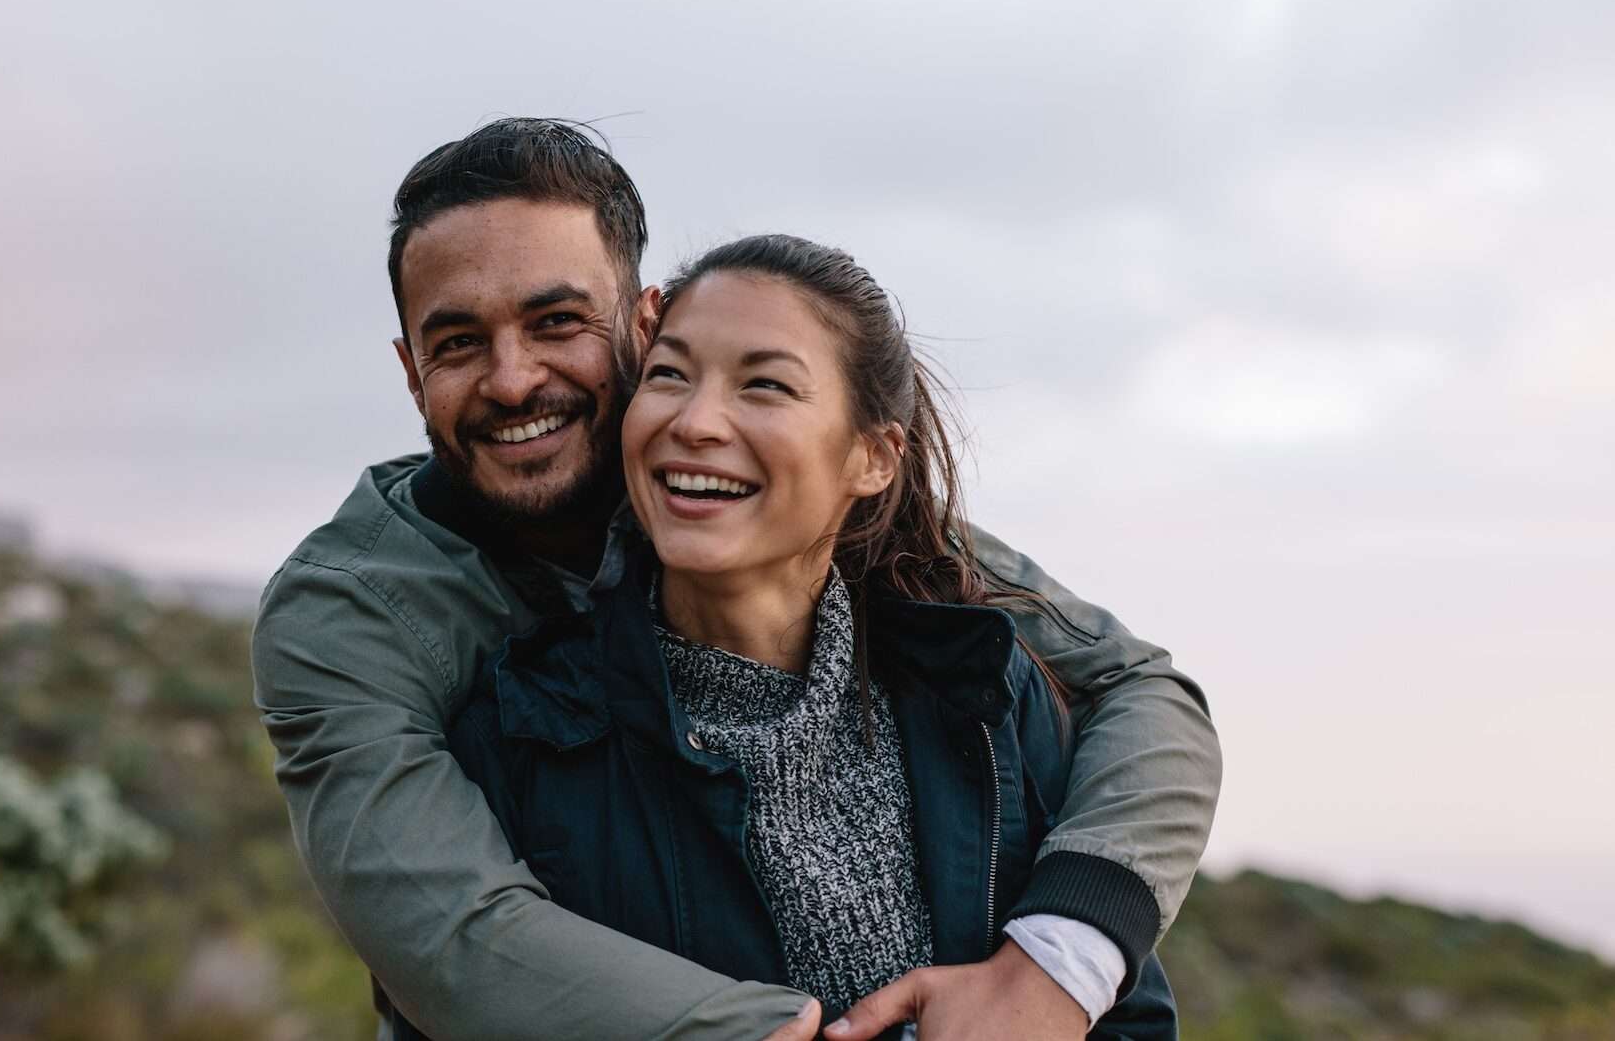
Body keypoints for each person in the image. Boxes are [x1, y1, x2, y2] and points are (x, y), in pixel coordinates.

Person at [251, 119, 1221, 1040]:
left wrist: (1055, 963)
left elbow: (1137, 686)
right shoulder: (353, 613)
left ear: (643, 323)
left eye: (557, 321)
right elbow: (456, 941)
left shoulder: (770, 506)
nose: (511, 379)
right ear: (410, 369)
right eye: (458, 342)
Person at [412, 233, 1179, 1041]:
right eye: (669, 374)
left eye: (765, 385)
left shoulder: (985, 692)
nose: (695, 421)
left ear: (872, 458)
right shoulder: (518, 737)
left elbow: (1131, 1020)